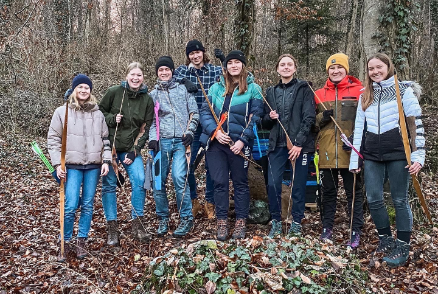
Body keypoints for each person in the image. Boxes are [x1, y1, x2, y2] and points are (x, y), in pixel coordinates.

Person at [350, 53, 425, 266]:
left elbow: (416, 125)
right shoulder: (365, 94)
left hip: (399, 154)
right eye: (371, 69)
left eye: (379, 67)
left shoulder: (404, 91)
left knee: (400, 200)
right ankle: (385, 239)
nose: (375, 72)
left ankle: (402, 244)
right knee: (373, 198)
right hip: (373, 154)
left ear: (388, 66)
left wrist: (418, 156)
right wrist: (356, 159)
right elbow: (358, 128)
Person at [200, 50, 263, 240]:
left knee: (240, 183)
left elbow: (256, 117)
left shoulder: (254, 88)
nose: (234, 65)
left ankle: (240, 221)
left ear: (243, 65)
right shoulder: (215, 88)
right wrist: (215, 132)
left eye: (237, 62)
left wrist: (243, 141)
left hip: (239, 145)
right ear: (225, 66)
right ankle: (222, 221)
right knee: (219, 183)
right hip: (217, 144)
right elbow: (205, 113)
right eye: (230, 63)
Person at [48, 74, 111, 261]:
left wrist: (106, 161)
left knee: (87, 205)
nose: (84, 90)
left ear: (90, 91)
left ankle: (81, 241)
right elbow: (53, 140)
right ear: (74, 89)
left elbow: (105, 140)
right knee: (70, 205)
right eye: (80, 87)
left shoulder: (98, 114)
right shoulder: (62, 112)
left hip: (93, 166)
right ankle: (65, 242)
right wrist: (57, 164)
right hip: (72, 166)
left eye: (87, 88)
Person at [99, 62, 154, 245]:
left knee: (139, 181)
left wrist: (135, 151)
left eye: (139, 75)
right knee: (109, 185)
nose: (136, 78)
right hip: (111, 149)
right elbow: (99, 113)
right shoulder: (114, 92)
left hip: (130, 150)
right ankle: (112, 229)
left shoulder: (147, 99)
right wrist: (111, 119)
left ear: (143, 78)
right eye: (133, 75)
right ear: (127, 76)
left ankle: (138, 224)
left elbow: (145, 129)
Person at [261, 54, 316, 238]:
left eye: (289, 64)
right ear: (277, 69)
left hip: (299, 147)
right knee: (273, 183)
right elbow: (264, 122)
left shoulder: (304, 88)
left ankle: (297, 222)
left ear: (294, 68)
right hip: (276, 145)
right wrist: (270, 117)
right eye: (282, 65)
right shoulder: (270, 92)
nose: (286, 67)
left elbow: (309, 117)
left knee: (298, 185)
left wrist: (299, 143)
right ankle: (276, 221)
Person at [314, 53, 364, 248]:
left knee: (354, 192)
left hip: (350, 152)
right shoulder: (318, 93)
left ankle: (355, 230)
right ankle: (327, 227)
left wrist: (357, 143)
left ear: (346, 69)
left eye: (339, 68)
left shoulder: (359, 91)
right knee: (329, 192)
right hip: (326, 152)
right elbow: (312, 124)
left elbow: (366, 122)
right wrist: (321, 119)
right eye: (332, 68)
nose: (335, 71)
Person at [148, 56, 199, 237]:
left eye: (167, 70)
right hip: (161, 143)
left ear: (172, 71)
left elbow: (194, 113)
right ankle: (163, 218)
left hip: (180, 142)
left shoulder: (183, 89)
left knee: (179, 177)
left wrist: (190, 132)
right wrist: (153, 138)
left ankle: (186, 217)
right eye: (160, 70)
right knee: (157, 182)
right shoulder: (152, 95)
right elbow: (151, 121)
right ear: (157, 73)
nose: (164, 73)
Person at [174, 39, 225, 219]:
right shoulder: (181, 71)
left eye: (198, 52)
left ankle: (210, 202)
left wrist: (225, 60)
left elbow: (236, 77)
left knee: (212, 166)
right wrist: (184, 81)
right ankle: (194, 200)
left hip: (211, 124)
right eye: (191, 53)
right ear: (188, 56)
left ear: (203, 52)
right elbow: (166, 78)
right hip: (190, 125)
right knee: (189, 165)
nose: (195, 56)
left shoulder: (214, 70)